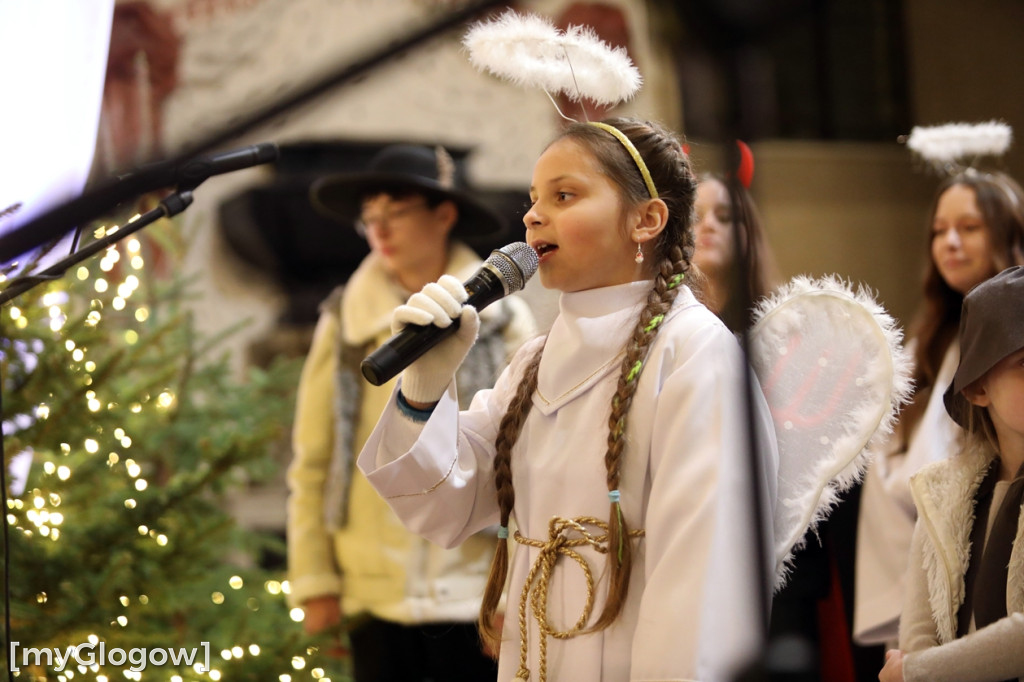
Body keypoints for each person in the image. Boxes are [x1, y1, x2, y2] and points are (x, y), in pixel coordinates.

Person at [356, 117, 780, 681]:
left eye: (564, 195)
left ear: (645, 220)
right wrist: (424, 390)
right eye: (533, 199)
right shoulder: (535, 360)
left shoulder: (696, 354)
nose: (532, 216)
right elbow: (443, 508)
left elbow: (704, 585)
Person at [286, 143, 536, 682]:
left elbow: (527, 465)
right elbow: (315, 458)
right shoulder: (344, 322)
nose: (380, 230)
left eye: (395, 213)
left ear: (443, 214)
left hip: (472, 593)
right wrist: (315, 581)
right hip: (374, 589)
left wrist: (514, 588)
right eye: (369, 219)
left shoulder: (504, 317)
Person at [855, 170, 1024, 648]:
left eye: (969, 227)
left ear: (1009, 232)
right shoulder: (925, 347)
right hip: (921, 567)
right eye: (938, 230)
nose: (950, 241)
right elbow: (894, 475)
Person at [878, 265, 1024, 682]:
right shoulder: (942, 491)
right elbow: (919, 629)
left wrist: (917, 671)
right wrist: (917, 667)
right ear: (979, 389)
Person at [692, 170, 780, 332]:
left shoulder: (780, 320)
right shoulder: (662, 319)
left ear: (748, 231)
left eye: (724, 216)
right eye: (696, 217)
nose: (709, 224)